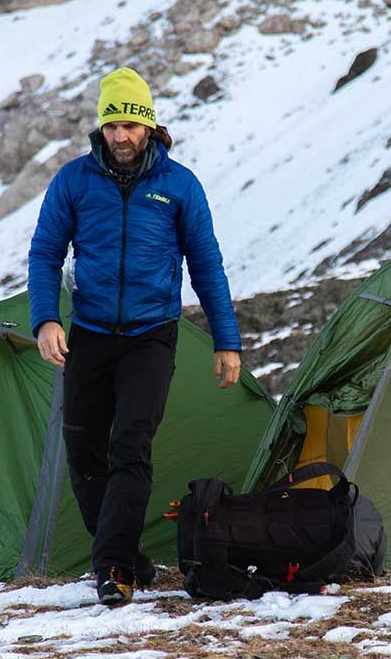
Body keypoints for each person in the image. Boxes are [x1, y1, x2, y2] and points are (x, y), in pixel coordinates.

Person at [27, 67, 243, 606]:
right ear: (101, 128)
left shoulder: (179, 185)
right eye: (112, 125)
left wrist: (227, 340)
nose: (121, 136)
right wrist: (45, 319)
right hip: (91, 332)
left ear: (149, 125)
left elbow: (207, 265)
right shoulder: (73, 181)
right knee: (82, 452)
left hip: (151, 334)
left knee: (130, 446)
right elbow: (45, 255)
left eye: (130, 124)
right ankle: (130, 558)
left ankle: (115, 569)